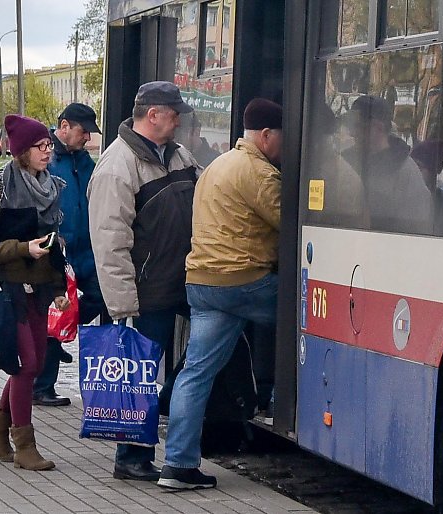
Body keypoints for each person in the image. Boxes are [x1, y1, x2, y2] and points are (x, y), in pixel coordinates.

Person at [158, 98, 283, 490]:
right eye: (281, 137)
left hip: (202, 282)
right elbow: (292, 223)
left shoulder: (216, 165)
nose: (284, 145)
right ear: (265, 136)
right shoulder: (259, 173)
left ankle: (177, 466)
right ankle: (283, 400)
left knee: (195, 373)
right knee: (312, 317)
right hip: (244, 281)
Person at [87, 81, 198, 481]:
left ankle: (164, 410)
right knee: (138, 374)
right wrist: (123, 306)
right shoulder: (117, 166)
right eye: (174, 113)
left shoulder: (178, 155)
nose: (180, 120)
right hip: (144, 292)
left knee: (197, 354)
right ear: (153, 115)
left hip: (181, 283)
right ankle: (131, 457)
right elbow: (109, 241)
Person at [0, 114, 70, 471]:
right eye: (39, 147)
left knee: (37, 363)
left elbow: (55, 243)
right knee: (26, 365)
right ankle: (23, 442)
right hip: (6, 288)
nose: (47, 151)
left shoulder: (52, 187)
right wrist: (22, 248)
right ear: (21, 152)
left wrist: (59, 286)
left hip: (39, 290)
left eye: (48, 146)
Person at [32, 103, 105, 407]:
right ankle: (42, 387)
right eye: (83, 131)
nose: (88, 137)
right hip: (57, 251)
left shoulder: (87, 163)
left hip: (88, 249)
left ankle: (66, 331)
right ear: (64, 127)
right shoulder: (46, 160)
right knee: (54, 310)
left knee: (103, 296)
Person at [341, 95, 433, 234]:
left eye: (359, 126)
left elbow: (417, 231)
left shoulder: (407, 173)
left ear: (378, 127)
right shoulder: (345, 161)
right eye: (352, 126)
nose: (353, 133)